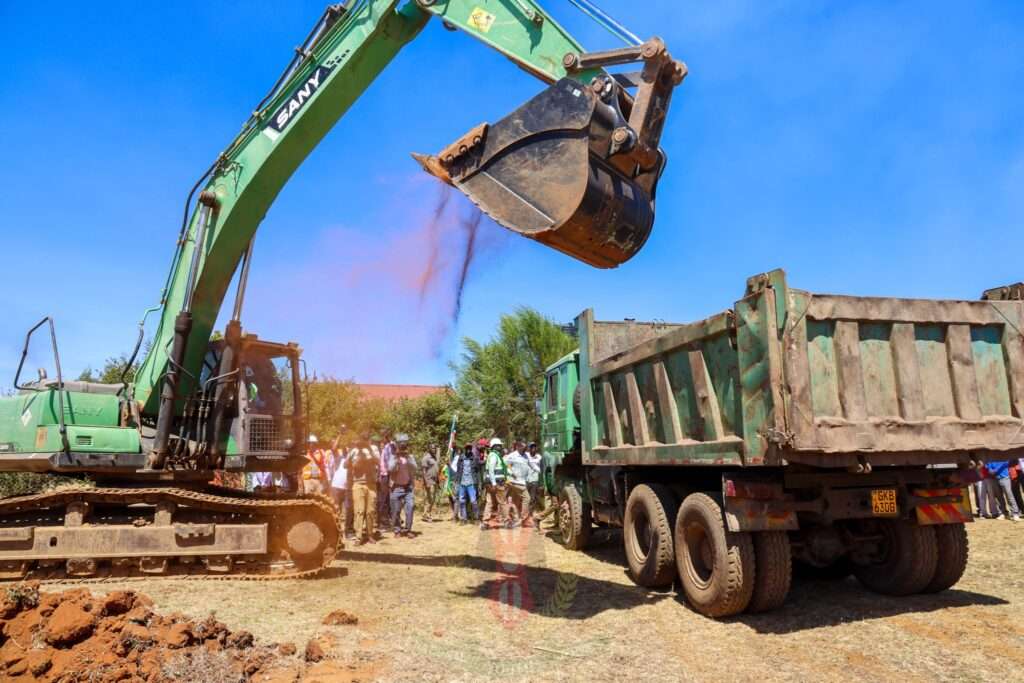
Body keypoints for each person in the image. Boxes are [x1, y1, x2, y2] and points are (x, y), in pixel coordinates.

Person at [348, 441, 380, 545]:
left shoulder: (374, 448)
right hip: (358, 484)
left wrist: (369, 449)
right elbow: (349, 465)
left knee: (370, 511)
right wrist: (360, 455)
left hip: (371, 484)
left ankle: (370, 535)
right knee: (359, 511)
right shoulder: (354, 450)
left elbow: (378, 461)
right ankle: (358, 536)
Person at [389, 434, 418, 536]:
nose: (403, 445)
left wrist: (407, 457)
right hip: (396, 487)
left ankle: (408, 530)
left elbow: (415, 468)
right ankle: (397, 530)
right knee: (395, 510)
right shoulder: (393, 456)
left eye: (404, 443)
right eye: (400, 443)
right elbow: (390, 469)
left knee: (410, 508)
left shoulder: (410, 457)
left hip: (408, 487)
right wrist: (397, 458)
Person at [504, 441, 534, 528]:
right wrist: (511, 472)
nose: (525, 449)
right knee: (527, 498)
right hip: (514, 481)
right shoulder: (512, 455)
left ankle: (510, 519)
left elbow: (528, 466)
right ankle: (524, 519)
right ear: (518, 447)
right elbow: (504, 464)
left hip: (521, 481)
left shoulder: (525, 455)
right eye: (523, 447)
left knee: (515, 501)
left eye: (525, 448)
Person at [482, 438, 509, 529]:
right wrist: (494, 483)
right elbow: (491, 470)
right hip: (497, 483)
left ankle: (485, 522)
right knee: (503, 502)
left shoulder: (494, 455)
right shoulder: (494, 455)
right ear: (495, 446)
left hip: (492, 483)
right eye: (499, 445)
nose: (501, 447)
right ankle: (506, 522)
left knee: (489, 502)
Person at [330, 437, 353, 538]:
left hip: (348, 488)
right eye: (345, 448)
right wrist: (340, 434)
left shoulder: (353, 459)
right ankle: (335, 531)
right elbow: (334, 448)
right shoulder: (338, 458)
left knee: (349, 509)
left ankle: (347, 531)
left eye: (348, 448)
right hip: (336, 487)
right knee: (335, 509)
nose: (346, 449)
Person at [454, 443, 480, 522]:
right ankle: (464, 518)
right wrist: (456, 481)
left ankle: (476, 517)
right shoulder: (461, 458)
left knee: (473, 501)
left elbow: (477, 471)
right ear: (465, 449)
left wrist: (478, 483)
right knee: (462, 501)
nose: (468, 450)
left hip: (471, 483)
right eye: (467, 448)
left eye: (469, 448)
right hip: (462, 483)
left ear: (471, 449)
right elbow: (458, 470)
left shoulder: (475, 458)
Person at [377, 435, 394, 530]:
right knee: (383, 499)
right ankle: (383, 522)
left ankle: (388, 520)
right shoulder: (384, 450)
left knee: (387, 499)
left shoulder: (390, 447)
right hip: (384, 476)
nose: (382, 444)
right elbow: (382, 465)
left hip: (388, 475)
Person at [420, 445, 440, 522]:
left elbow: (437, 467)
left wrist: (437, 481)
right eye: (432, 448)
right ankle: (427, 515)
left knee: (432, 498)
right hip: (429, 481)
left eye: (435, 448)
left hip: (435, 481)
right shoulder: (426, 458)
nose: (434, 449)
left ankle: (426, 514)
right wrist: (426, 482)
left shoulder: (434, 458)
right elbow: (424, 471)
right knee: (429, 498)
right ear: (429, 449)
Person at [525, 442, 543, 516]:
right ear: (529, 448)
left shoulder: (539, 457)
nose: (533, 449)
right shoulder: (525, 456)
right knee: (526, 498)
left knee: (532, 498)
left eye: (534, 447)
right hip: (526, 480)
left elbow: (542, 467)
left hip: (535, 480)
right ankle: (525, 512)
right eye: (531, 447)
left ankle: (530, 513)